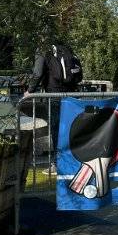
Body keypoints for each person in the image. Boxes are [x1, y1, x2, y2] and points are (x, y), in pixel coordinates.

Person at [23, 41, 83, 170]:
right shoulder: (65, 47)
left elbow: (38, 73)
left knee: (57, 129)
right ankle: (74, 160)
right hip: (72, 93)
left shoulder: (44, 49)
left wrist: (30, 91)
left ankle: (57, 163)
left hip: (54, 94)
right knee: (71, 127)